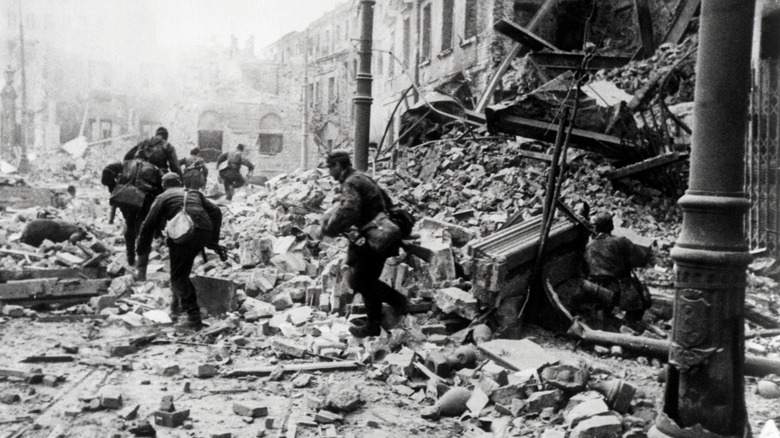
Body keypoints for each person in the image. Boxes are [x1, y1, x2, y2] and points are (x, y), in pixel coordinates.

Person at [320, 151, 407, 338]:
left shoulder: (351, 182)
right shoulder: (361, 178)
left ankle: (398, 302)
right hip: (383, 233)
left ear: (338, 166)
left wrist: (330, 229)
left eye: (330, 167)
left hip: (374, 237)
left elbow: (349, 209)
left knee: (359, 280)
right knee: (366, 279)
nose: (329, 172)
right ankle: (374, 323)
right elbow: (382, 202)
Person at [135, 173, 224, 330]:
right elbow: (216, 211)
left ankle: (193, 319)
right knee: (182, 271)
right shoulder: (194, 193)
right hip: (204, 230)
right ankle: (176, 308)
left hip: (185, 233)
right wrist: (213, 241)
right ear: (179, 182)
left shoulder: (163, 197)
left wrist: (141, 248)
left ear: (164, 185)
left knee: (178, 277)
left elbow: (148, 224)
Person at [578, 212, 653, 329]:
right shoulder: (621, 241)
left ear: (596, 228)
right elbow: (641, 259)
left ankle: (609, 321)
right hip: (618, 289)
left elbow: (585, 269)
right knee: (641, 291)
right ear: (611, 227)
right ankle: (632, 321)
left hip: (595, 289)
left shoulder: (589, 246)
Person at [101, 160, 162, 266]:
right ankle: (141, 266)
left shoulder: (124, 164)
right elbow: (161, 189)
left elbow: (106, 172)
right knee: (144, 230)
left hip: (128, 199)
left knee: (130, 226)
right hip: (146, 200)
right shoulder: (155, 168)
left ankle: (130, 259)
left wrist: (113, 187)